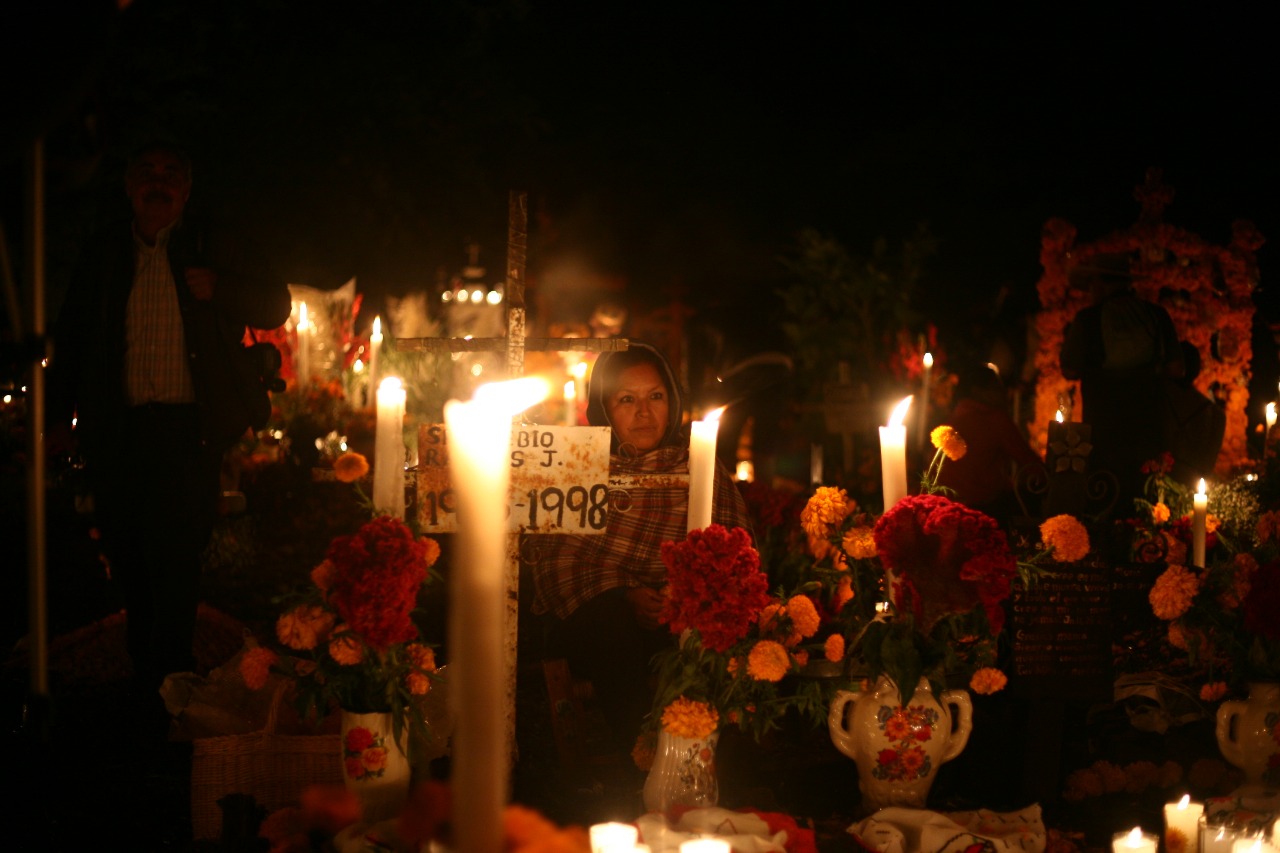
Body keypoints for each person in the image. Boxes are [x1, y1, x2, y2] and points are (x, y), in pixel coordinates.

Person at [48, 142, 291, 734]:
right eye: (147, 172)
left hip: (188, 427)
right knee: (129, 551)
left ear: (187, 188)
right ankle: (146, 677)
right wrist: (56, 418)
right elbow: (72, 336)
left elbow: (275, 305)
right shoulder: (106, 252)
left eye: (170, 173)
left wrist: (220, 287)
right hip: (120, 425)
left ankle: (172, 682)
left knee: (177, 554)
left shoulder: (212, 244)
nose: (158, 183)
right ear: (129, 186)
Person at [529, 342, 752, 755]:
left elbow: (734, 555)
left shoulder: (699, 466)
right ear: (604, 408)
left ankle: (713, 757)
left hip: (675, 622)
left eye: (656, 397)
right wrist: (626, 595)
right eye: (627, 400)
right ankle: (641, 757)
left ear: (673, 402)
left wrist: (680, 594)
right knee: (612, 625)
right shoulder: (579, 467)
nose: (644, 412)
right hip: (595, 625)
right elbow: (558, 563)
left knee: (718, 623)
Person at [1060, 252, 1184, 511]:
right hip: (1148, 425)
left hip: (1103, 428)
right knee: (1146, 496)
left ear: (1100, 284)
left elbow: (1069, 369)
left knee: (1105, 495)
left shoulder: (1088, 319)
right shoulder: (1156, 315)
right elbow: (1176, 368)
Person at [934, 363, 1045, 525]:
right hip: (981, 508)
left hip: (943, 507)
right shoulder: (994, 419)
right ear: (978, 391)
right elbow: (1030, 463)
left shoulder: (953, 417)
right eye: (996, 388)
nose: (1003, 393)